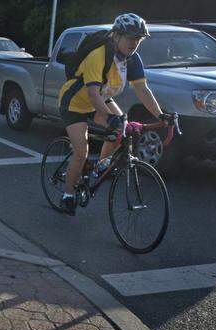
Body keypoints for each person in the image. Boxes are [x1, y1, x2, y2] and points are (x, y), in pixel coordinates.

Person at [57, 13, 176, 215]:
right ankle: (67, 195)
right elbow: (93, 94)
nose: (134, 43)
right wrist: (111, 117)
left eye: (138, 39)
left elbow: (143, 90)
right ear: (117, 36)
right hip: (75, 103)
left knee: (122, 131)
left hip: (101, 100)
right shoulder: (100, 55)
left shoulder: (132, 59)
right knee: (81, 152)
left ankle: (99, 167)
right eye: (130, 38)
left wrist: (161, 115)